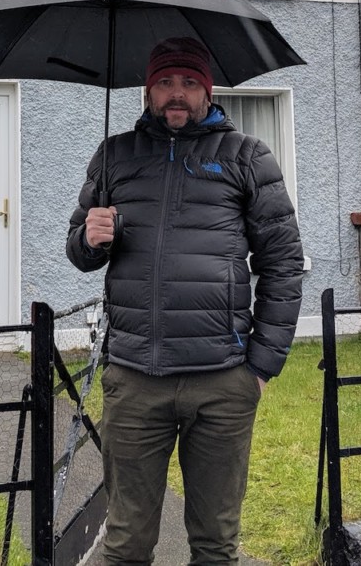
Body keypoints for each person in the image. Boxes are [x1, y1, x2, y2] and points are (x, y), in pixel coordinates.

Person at [66, 36, 305, 565]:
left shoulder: (247, 157)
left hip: (222, 380)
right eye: (165, 82)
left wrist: (260, 367)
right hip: (135, 380)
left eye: (190, 82)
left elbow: (283, 263)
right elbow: (79, 253)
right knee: (125, 545)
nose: (177, 93)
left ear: (208, 90)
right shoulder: (114, 156)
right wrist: (90, 238)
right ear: (148, 91)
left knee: (216, 546)